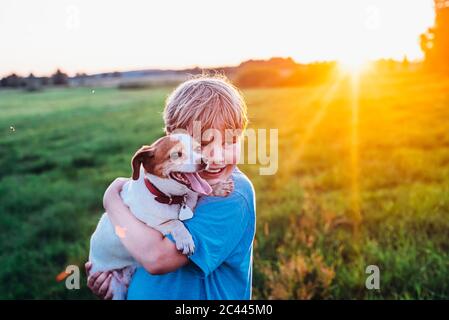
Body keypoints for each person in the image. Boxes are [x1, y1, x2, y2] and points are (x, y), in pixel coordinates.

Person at [85, 75, 256, 299]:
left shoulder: (232, 195)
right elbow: (133, 246)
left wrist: (111, 201)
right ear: (174, 138)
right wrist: (115, 281)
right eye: (201, 144)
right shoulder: (171, 182)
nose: (215, 157)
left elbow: (156, 259)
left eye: (229, 142)